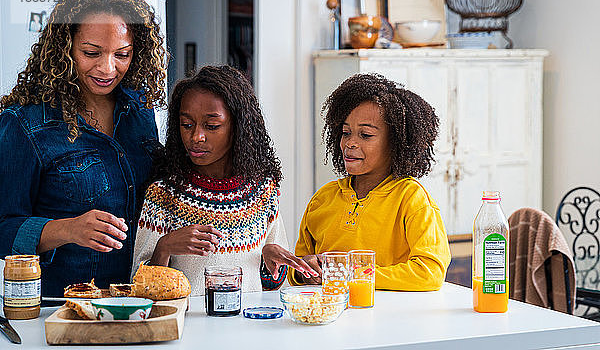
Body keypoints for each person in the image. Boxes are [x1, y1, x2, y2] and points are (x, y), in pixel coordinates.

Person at [0, 0, 167, 297]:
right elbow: (3, 228)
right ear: (65, 47)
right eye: (92, 52)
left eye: (122, 54)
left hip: (136, 300)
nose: (108, 68)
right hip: (60, 307)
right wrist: (66, 229)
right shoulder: (24, 124)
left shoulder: (139, 111)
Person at [132, 65, 317, 294]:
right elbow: (139, 288)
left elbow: (274, 286)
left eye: (212, 126)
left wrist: (270, 264)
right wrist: (164, 248)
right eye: (187, 125)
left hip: (248, 327)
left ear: (238, 128)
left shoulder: (262, 191)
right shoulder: (164, 194)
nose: (196, 137)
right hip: (189, 327)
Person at [289, 73, 451, 291]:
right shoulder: (323, 199)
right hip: (331, 317)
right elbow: (297, 266)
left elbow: (429, 272)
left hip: (387, 319)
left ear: (396, 143)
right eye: (346, 132)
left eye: (365, 135)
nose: (350, 143)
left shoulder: (411, 199)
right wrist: (304, 272)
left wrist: (352, 274)